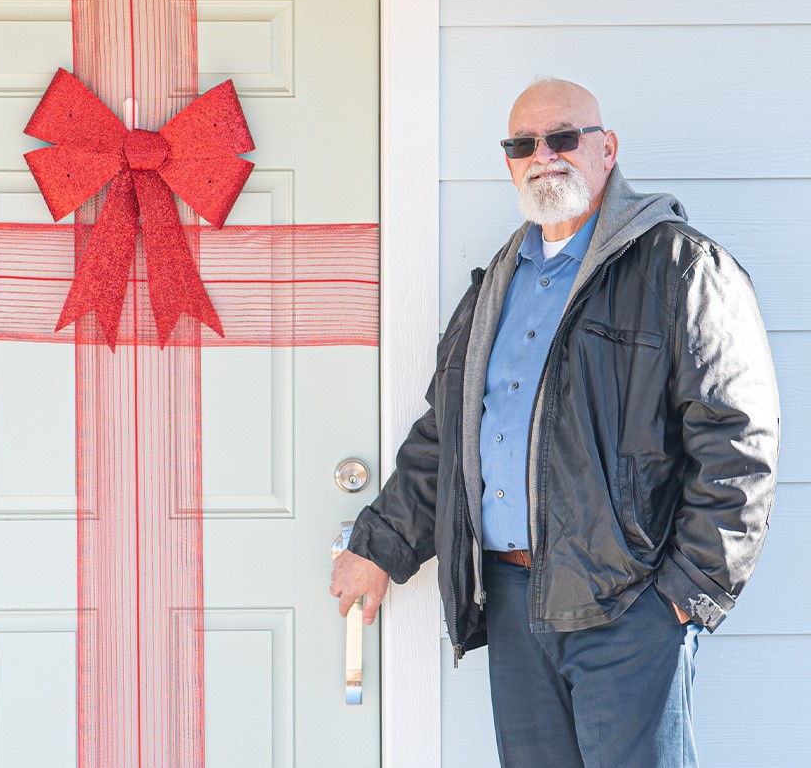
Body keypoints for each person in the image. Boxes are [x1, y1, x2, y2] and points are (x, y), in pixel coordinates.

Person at [329, 78, 780, 768]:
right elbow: (448, 439)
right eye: (524, 144)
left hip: (629, 606)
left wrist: (684, 597)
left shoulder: (681, 268)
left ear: (606, 149)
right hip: (512, 600)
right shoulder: (495, 289)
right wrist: (378, 546)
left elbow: (738, 443)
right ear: (510, 162)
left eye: (564, 137)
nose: (545, 155)